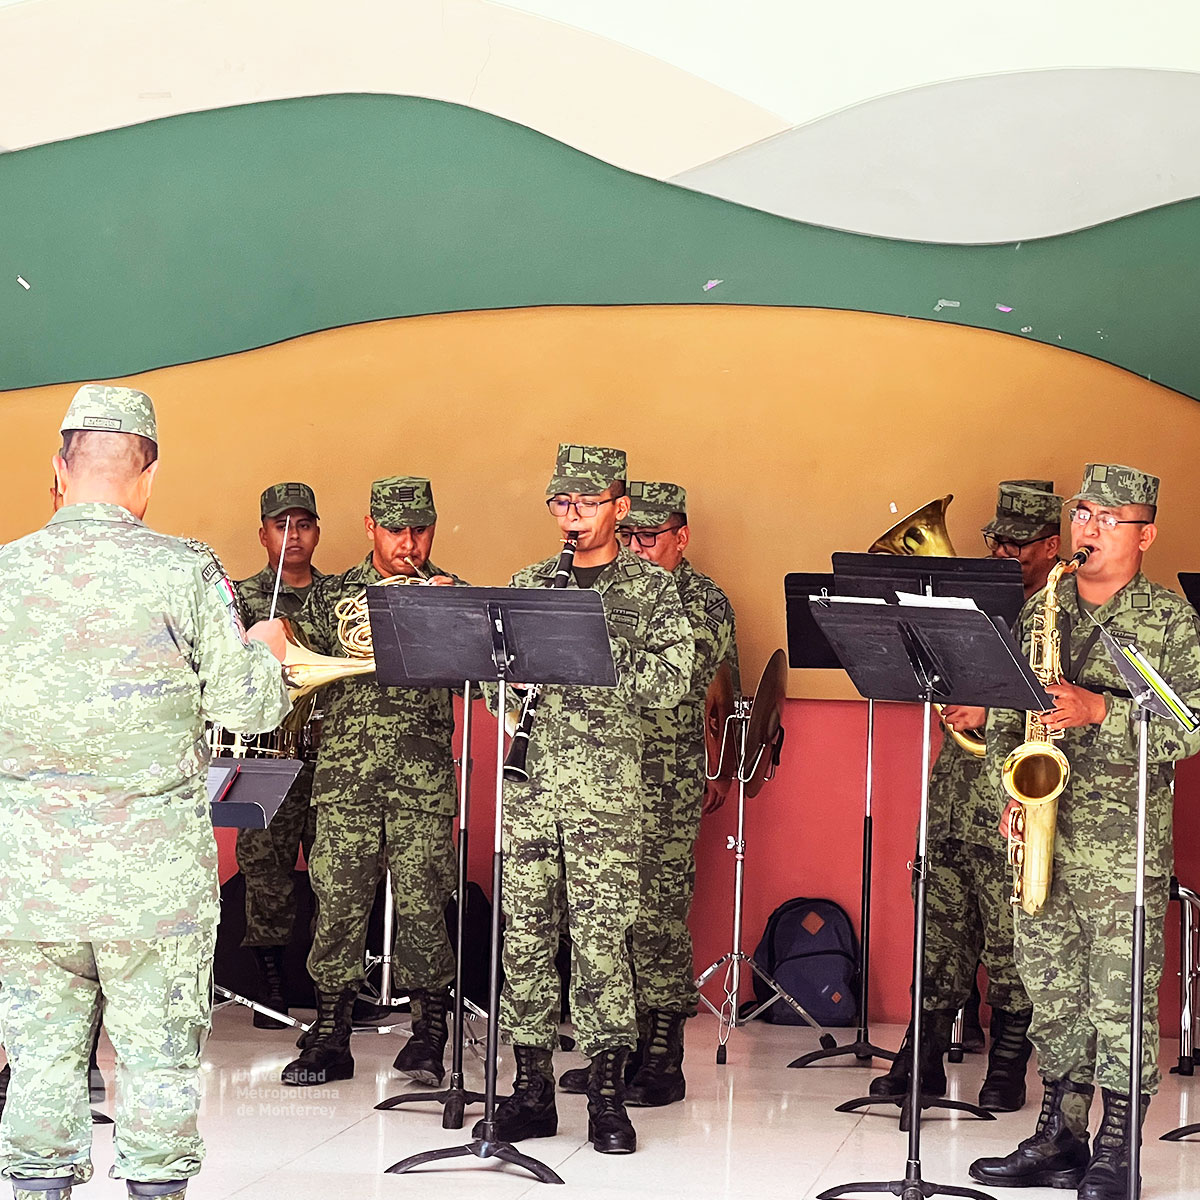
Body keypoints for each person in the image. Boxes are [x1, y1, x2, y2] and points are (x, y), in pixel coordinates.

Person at [0, 384, 289, 1200]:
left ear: (59, 469)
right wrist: (264, 649)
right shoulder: (186, 569)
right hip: (151, 881)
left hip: (28, 875)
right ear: (147, 474)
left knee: (40, 1057)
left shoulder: (6, 571)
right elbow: (248, 706)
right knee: (159, 1058)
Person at [969, 464, 1200, 1199]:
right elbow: (1006, 711)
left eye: (1108, 518)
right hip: (1043, 832)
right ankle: (1058, 1136)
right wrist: (1008, 783)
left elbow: (1192, 724)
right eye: (1082, 513)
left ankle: (1116, 1147)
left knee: (1119, 996)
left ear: (1146, 534)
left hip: (1121, 845)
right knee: (1054, 991)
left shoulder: (1170, 619)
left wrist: (1102, 712)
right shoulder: (1041, 605)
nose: (1089, 528)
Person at [473, 445, 694, 1155]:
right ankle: (531, 1091)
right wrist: (496, 673)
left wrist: (591, 647)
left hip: (605, 795)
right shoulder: (530, 582)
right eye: (560, 504)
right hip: (530, 788)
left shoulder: (651, 590)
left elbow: (672, 683)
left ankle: (605, 1094)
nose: (572, 518)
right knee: (526, 936)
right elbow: (489, 686)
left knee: (602, 942)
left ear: (620, 509)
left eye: (587, 504)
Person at [869, 481, 1062, 1112]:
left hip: (1013, 797)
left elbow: (1061, 699)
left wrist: (991, 707)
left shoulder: (1063, 612)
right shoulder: (978, 603)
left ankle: (1009, 1059)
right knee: (939, 922)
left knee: (1010, 934)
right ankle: (920, 1051)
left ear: (1053, 545)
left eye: (1018, 542)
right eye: (997, 539)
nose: (1004, 550)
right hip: (954, 791)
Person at [558, 481, 738, 1107]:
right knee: (605, 918)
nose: (636, 547)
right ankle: (619, 1048)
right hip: (600, 779)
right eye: (631, 536)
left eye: (650, 538)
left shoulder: (701, 601)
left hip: (664, 778)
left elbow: (679, 676)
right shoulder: (603, 586)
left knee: (658, 916)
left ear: (681, 538)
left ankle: (663, 1054)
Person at [280, 477, 461, 1089]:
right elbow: (292, 662)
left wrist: (452, 613)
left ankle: (428, 1035)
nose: (408, 542)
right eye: (395, 529)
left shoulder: (453, 593)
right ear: (369, 526)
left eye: (420, 529)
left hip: (423, 782)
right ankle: (330, 1035)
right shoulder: (332, 596)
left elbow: (484, 681)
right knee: (338, 904)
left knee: (423, 906)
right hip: (346, 781)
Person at [233, 483, 325, 1028]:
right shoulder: (242, 598)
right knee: (264, 866)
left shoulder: (336, 594)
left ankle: (330, 987)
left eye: (305, 524)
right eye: (282, 525)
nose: (294, 535)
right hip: (266, 754)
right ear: (264, 533)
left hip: (333, 757)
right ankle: (270, 989)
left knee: (336, 876)